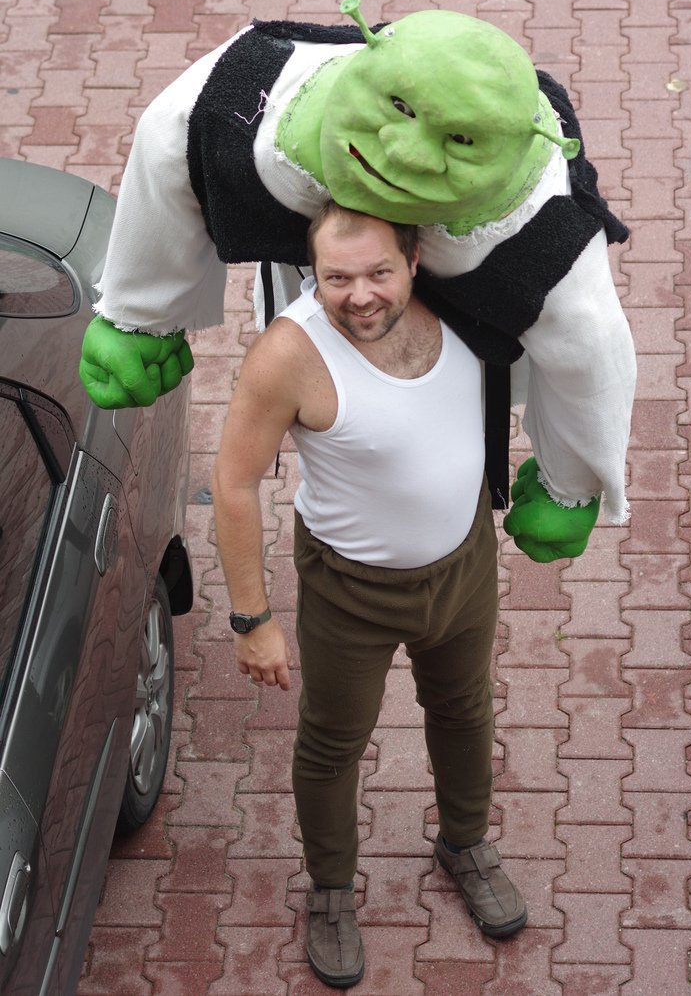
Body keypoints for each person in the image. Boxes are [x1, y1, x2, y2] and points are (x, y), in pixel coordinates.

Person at [80, 0, 636, 561]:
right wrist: (139, 313)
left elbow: (592, 351)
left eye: (460, 142)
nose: (406, 152)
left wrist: (570, 486)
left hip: (459, 338)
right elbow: (169, 137)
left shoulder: (543, 234)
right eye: (399, 109)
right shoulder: (252, 105)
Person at [212, 200, 528, 989]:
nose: (360, 295)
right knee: (331, 744)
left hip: (464, 563)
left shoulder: (464, 302)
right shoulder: (288, 353)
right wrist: (252, 618)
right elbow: (234, 482)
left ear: (415, 259)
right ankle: (329, 890)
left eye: (379, 272)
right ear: (313, 274)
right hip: (349, 589)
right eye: (337, 278)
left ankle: (464, 842)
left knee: (464, 708)